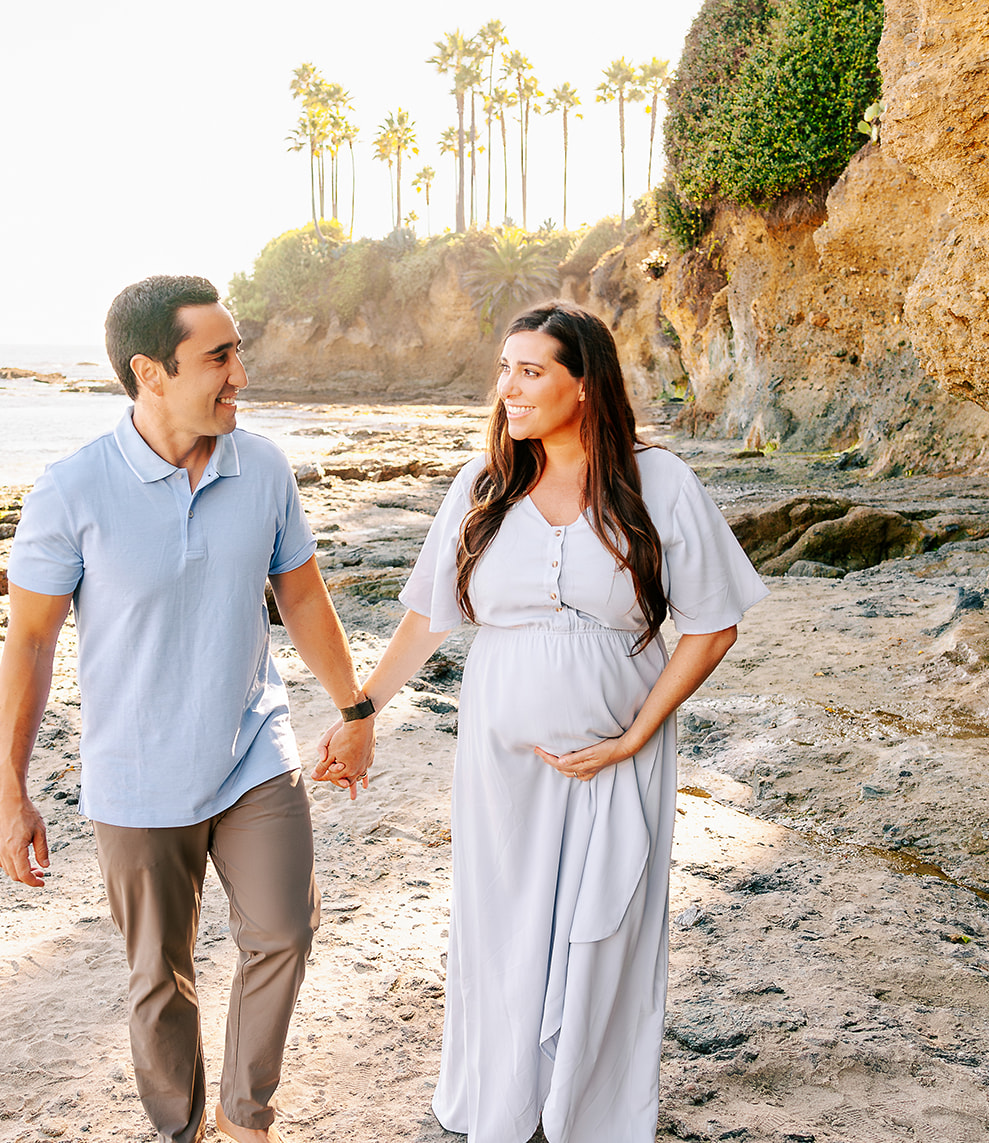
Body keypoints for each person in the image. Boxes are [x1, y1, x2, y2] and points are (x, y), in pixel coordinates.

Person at [315, 302, 767, 1142]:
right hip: (499, 756)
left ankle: (584, 1113)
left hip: (615, 753)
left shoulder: (656, 482)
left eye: (531, 371)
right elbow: (427, 617)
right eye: (504, 369)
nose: (508, 388)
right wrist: (362, 711)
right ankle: (503, 1101)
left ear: (583, 384)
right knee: (504, 918)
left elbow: (713, 625)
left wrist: (636, 734)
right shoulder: (483, 486)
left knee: (604, 925)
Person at [0, 274, 374, 1143]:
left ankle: (246, 1121)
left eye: (238, 350)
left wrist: (354, 706)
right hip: (133, 773)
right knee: (159, 983)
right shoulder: (72, 490)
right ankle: (181, 1131)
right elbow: (30, 642)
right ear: (152, 372)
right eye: (220, 355)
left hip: (253, 751)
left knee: (284, 927)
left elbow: (305, 599)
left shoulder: (264, 465)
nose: (241, 371)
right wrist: (10, 787)